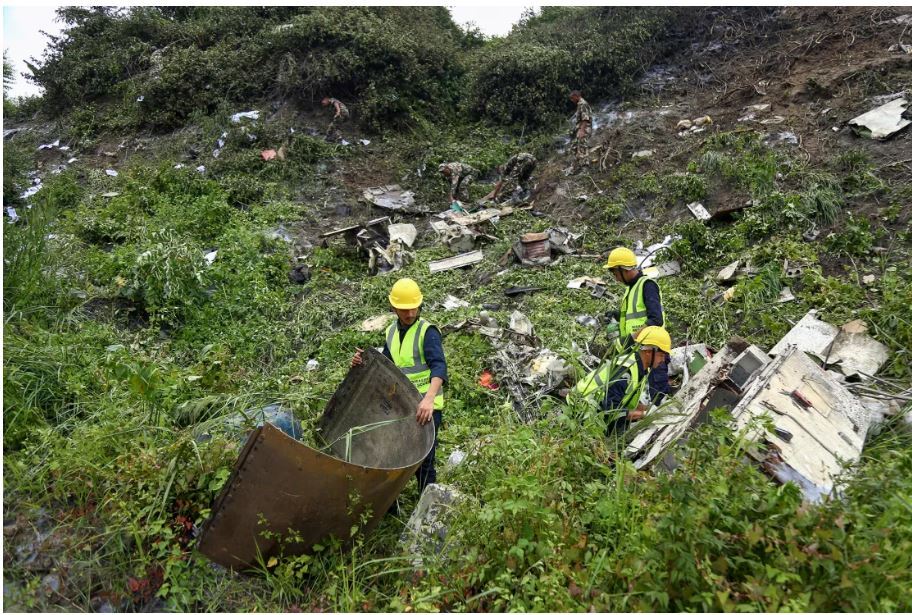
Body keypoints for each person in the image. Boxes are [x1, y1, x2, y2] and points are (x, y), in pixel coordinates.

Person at [351, 278, 446, 492]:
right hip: (402, 407)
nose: (410, 314)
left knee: (425, 462)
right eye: (404, 309)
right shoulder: (391, 333)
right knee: (396, 456)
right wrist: (361, 361)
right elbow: (386, 366)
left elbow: (439, 367)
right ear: (393, 307)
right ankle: (392, 503)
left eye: (414, 308)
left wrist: (429, 400)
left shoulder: (427, 332)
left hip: (426, 407)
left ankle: (427, 504)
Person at [571, 326, 672, 433]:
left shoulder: (640, 368)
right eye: (661, 355)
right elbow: (611, 409)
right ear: (648, 352)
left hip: (594, 408)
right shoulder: (625, 371)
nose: (663, 360)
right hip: (581, 409)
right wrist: (644, 414)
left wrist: (647, 408)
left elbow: (623, 400)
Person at [602, 246, 670, 399]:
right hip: (640, 350)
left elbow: (656, 320)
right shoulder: (630, 289)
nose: (616, 278)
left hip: (652, 350)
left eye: (615, 273)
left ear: (623, 269)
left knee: (656, 396)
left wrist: (631, 339)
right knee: (641, 394)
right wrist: (617, 315)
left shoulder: (647, 285)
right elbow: (633, 316)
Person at [569, 90, 593, 167]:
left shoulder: (583, 104)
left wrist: (582, 131)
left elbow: (585, 119)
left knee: (583, 147)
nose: (572, 100)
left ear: (576, 96)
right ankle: (577, 164)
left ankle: (585, 166)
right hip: (580, 129)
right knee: (574, 146)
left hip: (585, 129)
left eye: (572, 98)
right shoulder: (580, 104)